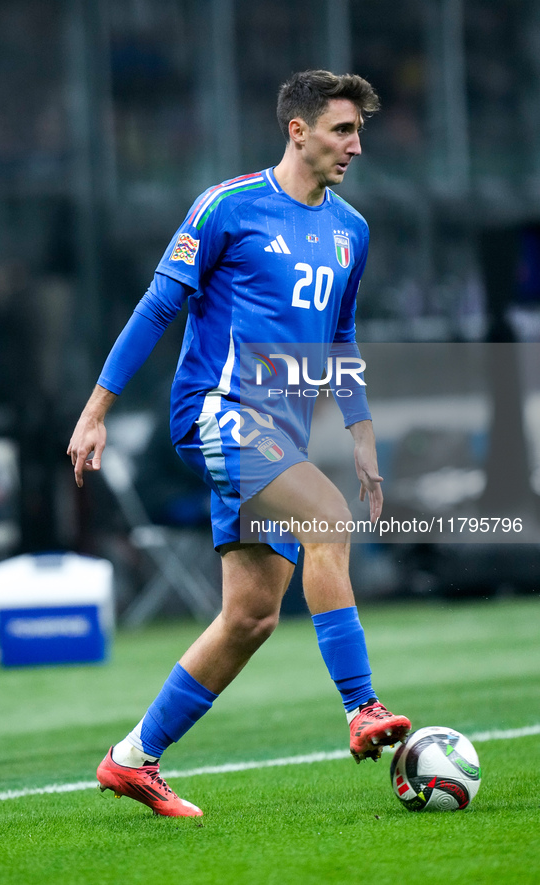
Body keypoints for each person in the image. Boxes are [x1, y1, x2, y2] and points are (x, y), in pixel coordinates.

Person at [68, 70, 411, 818]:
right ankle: (361, 706)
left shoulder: (350, 229)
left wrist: (359, 431)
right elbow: (159, 305)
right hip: (215, 413)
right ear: (298, 130)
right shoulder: (228, 207)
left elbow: (340, 337)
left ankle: (132, 759)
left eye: (358, 131)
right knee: (325, 518)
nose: (355, 145)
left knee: (252, 613)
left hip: (279, 434)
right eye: (341, 130)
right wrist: (95, 411)